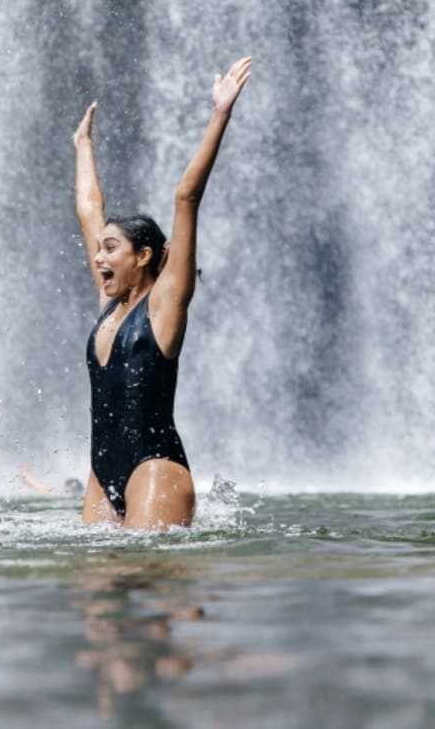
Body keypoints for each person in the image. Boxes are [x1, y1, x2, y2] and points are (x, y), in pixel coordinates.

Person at [71, 57, 253, 529]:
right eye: (99, 249)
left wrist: (221, 114)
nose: (99, 257)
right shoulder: (109, 303)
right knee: (97, 591)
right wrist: (82, 146)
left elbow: (186, 197)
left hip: (155, 466)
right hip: (101, 470)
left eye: (111, 248)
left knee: (155, 579)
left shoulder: (166, 305)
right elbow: (90, 209)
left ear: (145, 256)